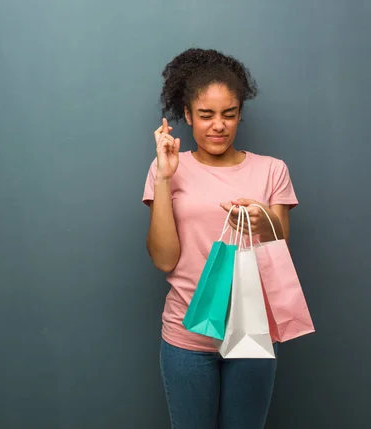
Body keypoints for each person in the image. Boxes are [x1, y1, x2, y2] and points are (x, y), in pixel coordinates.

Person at [142, 48, 299, 429]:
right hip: (187, 336)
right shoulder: (168, 170)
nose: (218, 125)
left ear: (240, 114)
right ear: (187, 115)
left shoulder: (271, 170)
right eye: (207, 115)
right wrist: (164, 177)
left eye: (228, 114)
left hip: (252, 333)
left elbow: (280, 245)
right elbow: (164, 259)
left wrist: (260, 221)